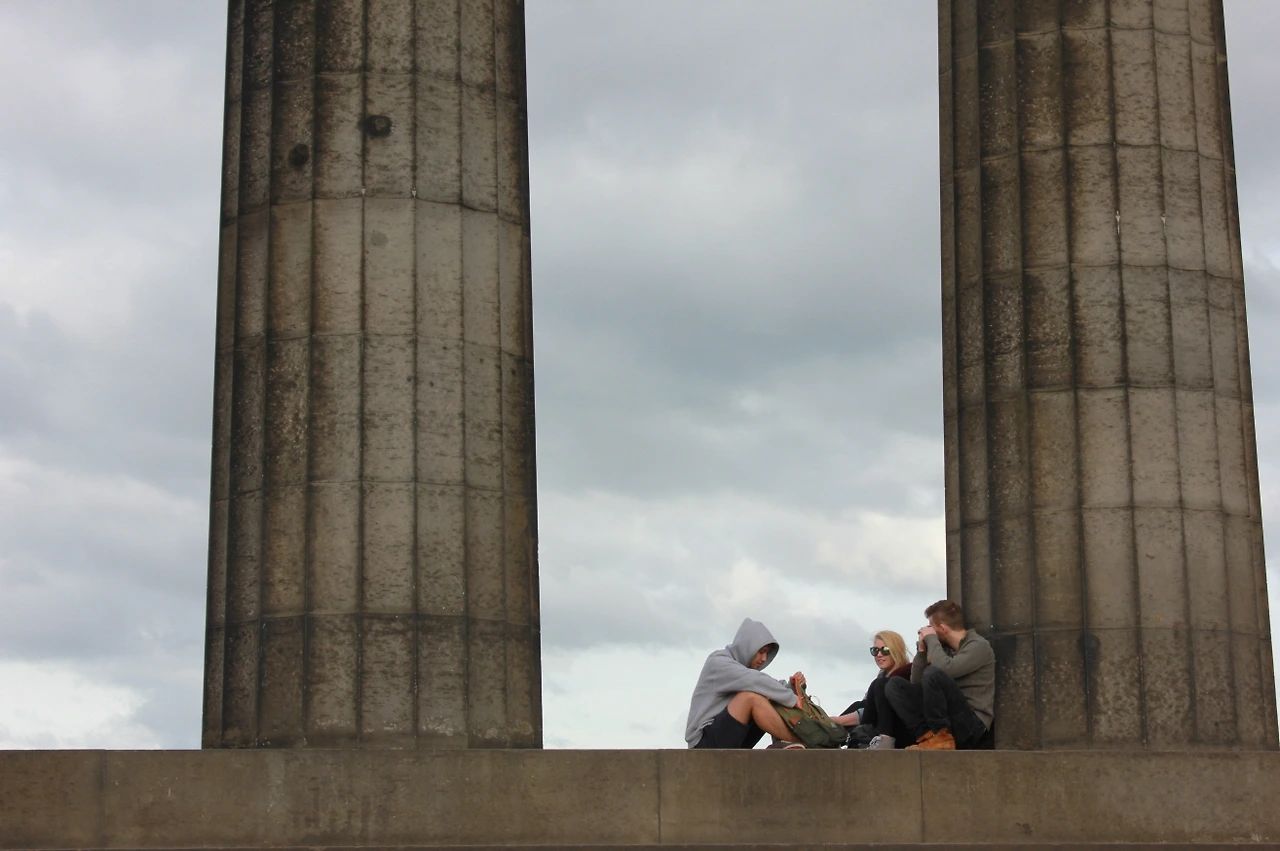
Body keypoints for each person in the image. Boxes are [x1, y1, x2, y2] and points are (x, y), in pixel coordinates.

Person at [885, 599, 994, 751]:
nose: (929, 631)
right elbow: (916, 682)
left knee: (933, 673)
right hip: (947, 721)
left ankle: (941, 737)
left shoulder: (978, 646)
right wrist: (922, 651)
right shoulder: (943, 650)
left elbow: (944, 670)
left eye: (931, 627)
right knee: (894, 685)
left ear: (942, 628)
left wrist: (932, 640)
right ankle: (929, 737)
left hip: (971, 723)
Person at [685, 617, 807, 749]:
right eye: (761, 652)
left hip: (732, 739)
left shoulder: (746, 673)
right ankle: (803, 742)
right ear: (747, 647)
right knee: (750, 698)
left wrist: (793, 687)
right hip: (703, 741)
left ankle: (784, 744)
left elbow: (763, 684)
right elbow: (754, 680)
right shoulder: (718, 662)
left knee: (770, 696)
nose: (764, 659)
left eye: (767, 654)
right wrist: (792, 698)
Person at [830, 630, 913, 749]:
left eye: (885, 650)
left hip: (899, 732)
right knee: (858, 704)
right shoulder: (881, 678)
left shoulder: (905, 676)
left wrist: (837, 721)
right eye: (875, 650)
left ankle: (829, 732)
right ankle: (828, 735)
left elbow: (871, 711)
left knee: (877, 687)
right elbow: (867, 707)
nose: (879, 655)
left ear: (896, 650)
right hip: (877, 727)